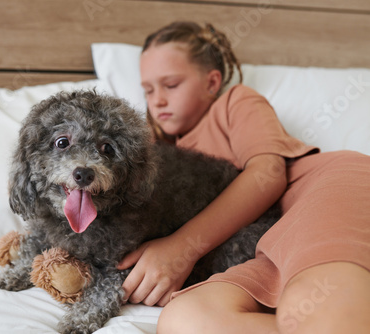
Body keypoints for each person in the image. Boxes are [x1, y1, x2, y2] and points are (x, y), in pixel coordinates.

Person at [116, 21, 370, 333]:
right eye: (148, 90)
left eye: (170, 85)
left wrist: (181, 248)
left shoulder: (234, 102)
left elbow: (268, 174)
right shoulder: (158, 155)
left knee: (315, 302)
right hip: (265, 241)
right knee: (186, 320)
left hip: (321, 191)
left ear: (212, 82)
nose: (158, 100)